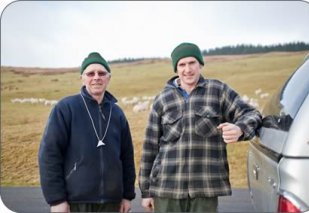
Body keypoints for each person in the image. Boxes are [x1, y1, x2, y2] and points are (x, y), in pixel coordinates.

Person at [138, 42, 262, 212]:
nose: (187, 69)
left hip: (205, 188)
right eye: (182, 64)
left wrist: (240, 128)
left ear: (200, 64)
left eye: (192, 63)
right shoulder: (163, 99)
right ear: (176, 69)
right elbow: (149, 148)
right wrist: (146, 192)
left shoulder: (218, 91)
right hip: (166, 188)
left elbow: (252, 114)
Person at [38, 52, 136, 213]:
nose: (96, 77)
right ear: (82, 78)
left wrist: (127, 196)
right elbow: (49, 154)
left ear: (108, 78)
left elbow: (126, 157)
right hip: (75, 203)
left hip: (112, 203)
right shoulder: (66, 108)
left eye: (101, 73)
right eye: (91, 73)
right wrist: (57, 200)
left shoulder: (117, 113)